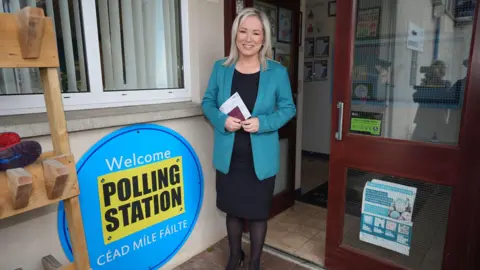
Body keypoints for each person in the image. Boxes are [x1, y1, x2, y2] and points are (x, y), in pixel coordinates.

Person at [201, 7, 296, 270]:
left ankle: (254, 262)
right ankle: (235, 255)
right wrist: (222, 120)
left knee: (256, 214)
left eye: (256, 33)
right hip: (230, 156)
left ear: (264, 38)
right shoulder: (221, 68)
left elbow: (288, 108)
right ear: (235, 35)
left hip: (260, 160)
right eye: (243, 31)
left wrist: (262, 123)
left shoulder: (276, 72)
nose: (249, 38)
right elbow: (207, 102)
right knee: (232, 210)